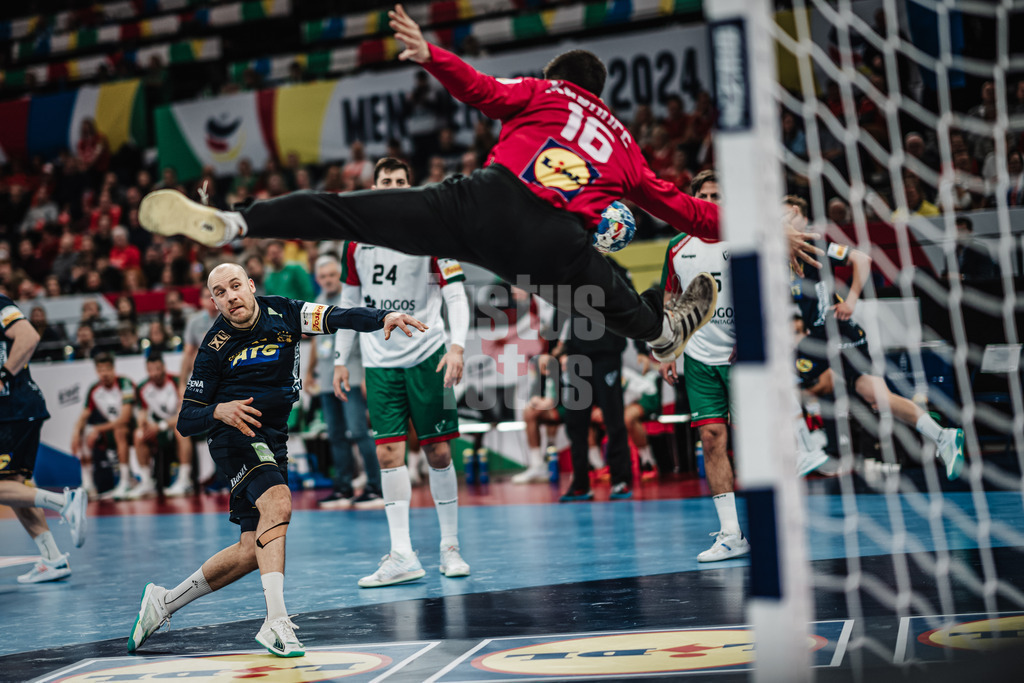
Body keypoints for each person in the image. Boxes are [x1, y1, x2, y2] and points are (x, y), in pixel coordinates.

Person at [138, 5, 808, 365]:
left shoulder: (548, 92)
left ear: (561, 77)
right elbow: (686, 209)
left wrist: (434, 57)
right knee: (611, 295)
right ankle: (658, 334)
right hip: (553, 243)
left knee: (345, 214)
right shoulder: (628, 148)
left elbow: (483, 91)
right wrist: (760, 226)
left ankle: (235, 223)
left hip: (484, 206)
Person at [127, 263, 424, 657]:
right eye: (220, 292)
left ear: (251, 286)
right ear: (214, 302)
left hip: (273, 438)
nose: (230, 296)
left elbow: (339, 315)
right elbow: (186, 419)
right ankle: (276, 622)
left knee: (252, 549)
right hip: (235, 436)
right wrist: (219, 410)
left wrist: (383, 316)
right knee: (279, 502)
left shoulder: (284, 311)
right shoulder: (214, 347)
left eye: (236, 286)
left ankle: (163, 603)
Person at [332, 157, 472, 587]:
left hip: (429, 355)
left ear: (410, 187)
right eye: (385, 181)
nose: (392, 186)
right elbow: (350, 299)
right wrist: (341, 357)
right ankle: (403, 554)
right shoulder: (356, 240)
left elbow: (456, 293)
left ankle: (449, 546)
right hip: (379, 362)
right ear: (374, 187)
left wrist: (458, 345)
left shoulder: (432, 232)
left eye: (400, 181)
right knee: (388, 454)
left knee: (438, 453)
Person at [784, 195, 965, 480]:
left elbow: (862, 259)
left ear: (799, 217)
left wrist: (852, 301)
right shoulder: (784, 259)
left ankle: (806, 451)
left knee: (781, 379)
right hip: (825, 334)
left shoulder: (816, 245)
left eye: (786, 218)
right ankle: (943, 436)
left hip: (835, 329)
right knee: (877, 396)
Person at [658, 171, 748, 562]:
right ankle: (731, 534)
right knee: (711, 440)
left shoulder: (744, 238)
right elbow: (671, 299)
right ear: (694, 201)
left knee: (755, 447)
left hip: (746, 358)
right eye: (705, 195)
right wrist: (669, 350)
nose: (712, 200)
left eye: (718, 194)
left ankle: (773, 524)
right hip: (699, 357)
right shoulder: (679, 247)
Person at [0, 294, 88, 583]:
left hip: (14, 410)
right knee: (15, 487)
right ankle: (52, 558)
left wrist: (3, 374)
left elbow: (28, 335)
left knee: (4, 487)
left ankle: (65, 502)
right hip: (15, 411)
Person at [552, 255, 637, 502]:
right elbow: (564, 308)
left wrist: (643, 350)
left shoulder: (616, 270)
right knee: (575, 422)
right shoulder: (572, 267)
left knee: (613, 419)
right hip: (578, 356)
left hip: (607, 355)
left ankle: (620, 480)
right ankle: (580, 484)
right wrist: (558, 347)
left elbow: (633, 307)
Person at [304, 255, 382, 509]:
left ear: (339, 276)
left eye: (331, 275)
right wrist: (309, 370)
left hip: (352, 375)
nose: (327, 280)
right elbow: (317, 341)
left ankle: (375, 487)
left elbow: (368, 339)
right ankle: (344, 488)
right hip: (327, 380)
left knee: (359, 431)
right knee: (336, 434)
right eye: (323, 276)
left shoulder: (350, 302)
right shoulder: (317, 304)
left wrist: (367, 376)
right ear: (318, 280)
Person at [71, 353, 136, 499]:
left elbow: (125, 418)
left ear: (113, 368)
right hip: (109, 431)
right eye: (100, 370)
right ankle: (88, 485)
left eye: (107, 369)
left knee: (120, 430)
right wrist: (76, 432)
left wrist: (97, 429)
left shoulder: (125, 384)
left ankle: (125, 481)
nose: (104, 373)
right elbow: (83, 416)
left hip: (131, 429)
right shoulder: (94, 389)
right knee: (83, 433)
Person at [130, 354, 193, 498]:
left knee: (180, 430)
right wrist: (144, 424)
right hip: (158, 429)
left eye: (158, 369)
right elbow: (142, 413)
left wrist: (160, 426)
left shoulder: (178, 382)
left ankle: (185, 480)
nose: (155, 373)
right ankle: (146, 483)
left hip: (176, 425)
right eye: (151, 370)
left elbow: (184, 414)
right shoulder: (142, 388)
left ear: (164, 367)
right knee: (138, 434)